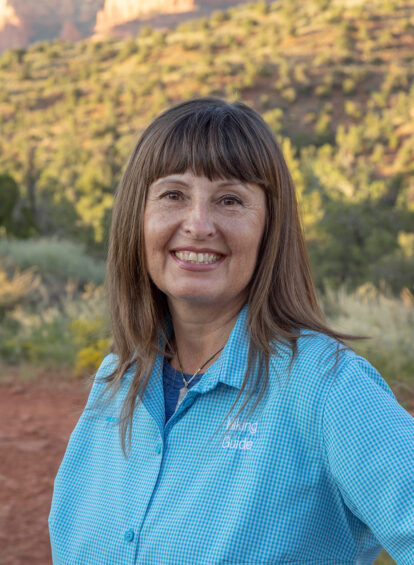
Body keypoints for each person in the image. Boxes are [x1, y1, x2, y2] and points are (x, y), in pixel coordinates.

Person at [48, 97, 414, 564]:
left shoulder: (325, 385)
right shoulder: (115, 381)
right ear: (137, 218)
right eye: (173, 195)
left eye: (230, 200)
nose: (198, 225)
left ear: (269, 228)